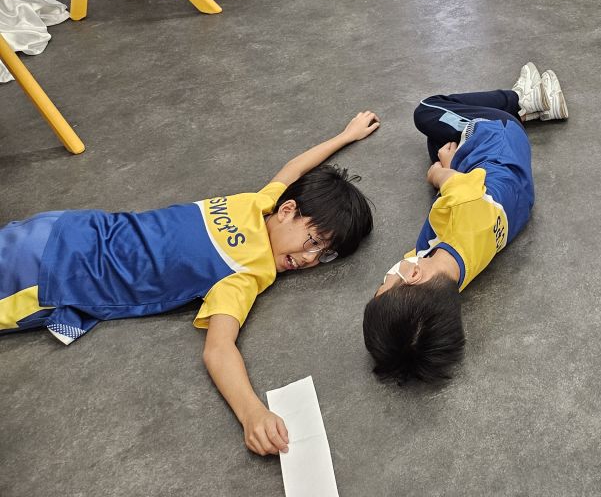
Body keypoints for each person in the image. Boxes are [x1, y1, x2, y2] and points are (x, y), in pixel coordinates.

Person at [0, 112, 379, 455]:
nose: (311, 258)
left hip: (66, 226)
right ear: (288, 210)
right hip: (53, 274)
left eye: (325, 254)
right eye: (313, 241)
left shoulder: (255, 203)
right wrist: (252, 413)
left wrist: (345, 135)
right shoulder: (247, 271)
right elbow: (218, 349)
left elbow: (293, 170)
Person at [363, 63, 566, 383]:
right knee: (427, 111)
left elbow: (418, 256)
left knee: (436, 142)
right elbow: (457, 188)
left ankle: (531, 109)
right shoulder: (463, 206)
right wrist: (442, 171)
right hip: (499, 138)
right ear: (413, 275)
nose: (385, 278)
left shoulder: (448, 279)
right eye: (382, 286)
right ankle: (520, 100)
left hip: (514, 196)